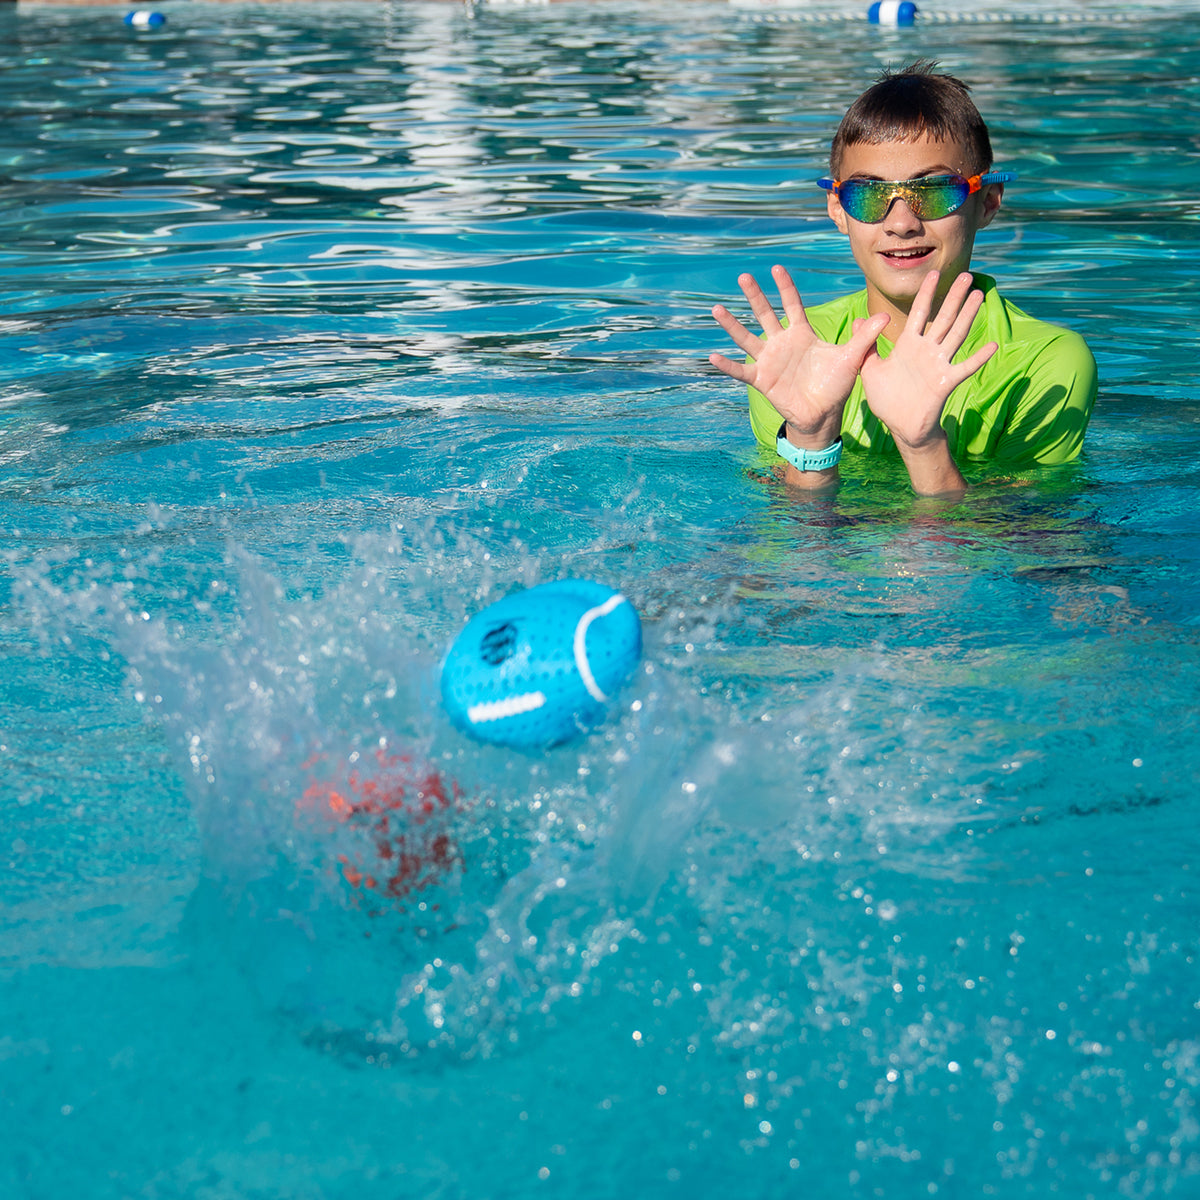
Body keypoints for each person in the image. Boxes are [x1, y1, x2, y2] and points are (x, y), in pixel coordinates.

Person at [709, 62, 1097, 498]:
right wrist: (811, 439)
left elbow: (1019, 544)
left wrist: (923, 446)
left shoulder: (1043, 364)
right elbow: (800, 543)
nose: (901, 224)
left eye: (933, 191)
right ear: (838, 209)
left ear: (986, 202)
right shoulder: (798, 351)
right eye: (868, 194)